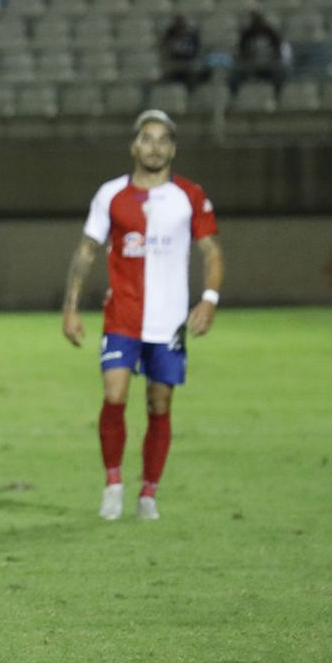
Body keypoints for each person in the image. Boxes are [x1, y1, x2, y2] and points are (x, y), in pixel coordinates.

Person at [62, 110, 224, 520]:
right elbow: (86, 251)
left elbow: (212, 252)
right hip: (122, 316)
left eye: (163, 140)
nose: (155, 147)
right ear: (134, 146)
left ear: (173, 148)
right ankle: (113, 483)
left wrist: (208, 299)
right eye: (147, 139)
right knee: (114, 394)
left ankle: (148, 492)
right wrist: (71, 308)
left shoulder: (190, 196)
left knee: (159, 403)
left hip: (168, 321)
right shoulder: (110, 195)